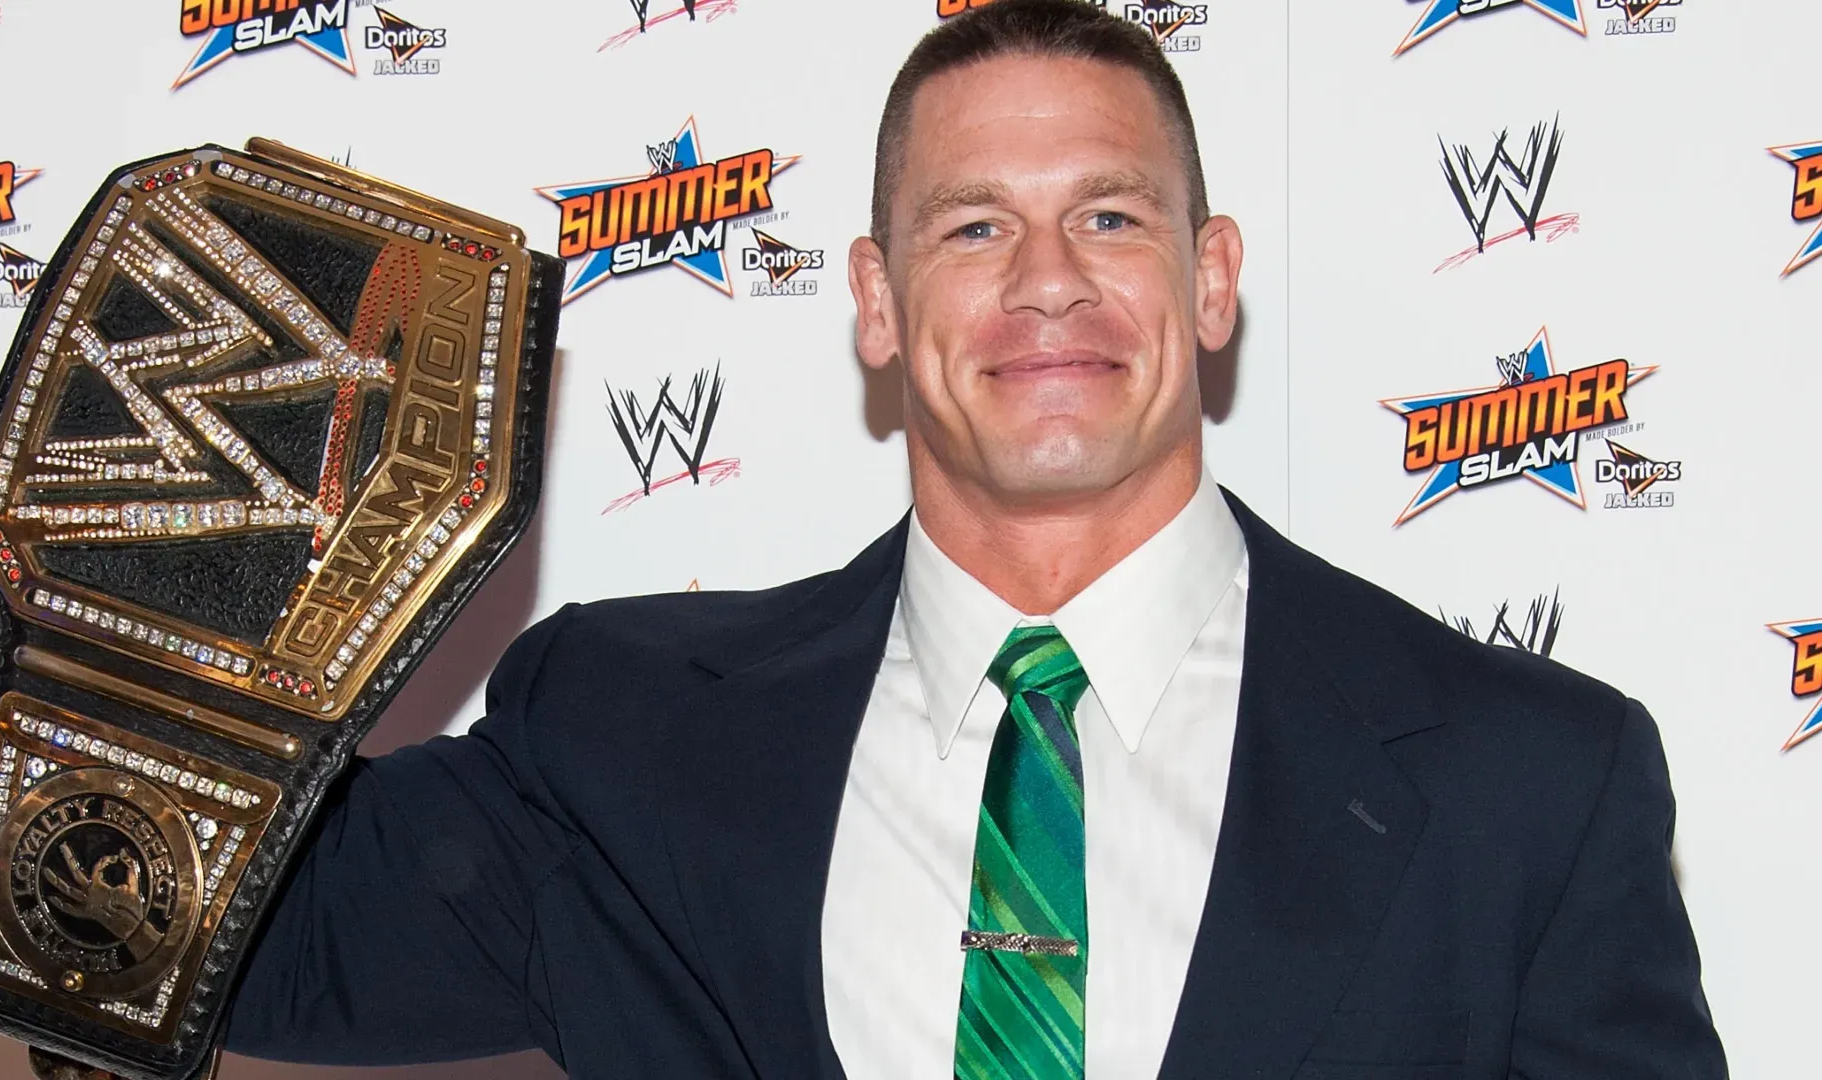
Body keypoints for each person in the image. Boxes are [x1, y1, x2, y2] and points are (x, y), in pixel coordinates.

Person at [225, 1, 1727, 1076]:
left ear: (1213, 283)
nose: (1049, 281)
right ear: (878, 304)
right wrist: (220, 473)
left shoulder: (1530, 782)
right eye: (974, 227)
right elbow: (220, 946)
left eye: (1113, 220)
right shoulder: (621, 738)